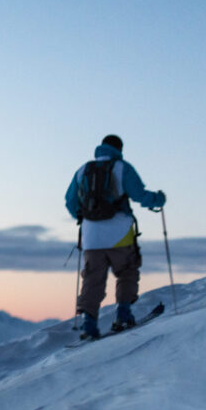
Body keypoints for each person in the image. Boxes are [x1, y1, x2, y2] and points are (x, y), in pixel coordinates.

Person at [65, 134, 166, 340]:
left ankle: (89, 325)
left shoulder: (83, 169)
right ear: (119, 149)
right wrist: (159, 199)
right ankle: (123, 315)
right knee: (126, 271)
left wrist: (86, 218)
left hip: (91, 236)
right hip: (119, 232)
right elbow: (140, 195)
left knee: (93, 278)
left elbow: (70, 201)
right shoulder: (122, 167)